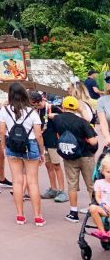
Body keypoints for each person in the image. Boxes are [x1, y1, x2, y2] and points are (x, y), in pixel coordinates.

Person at [0, 83, 46, 226]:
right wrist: (41, 151)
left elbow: (1, 131)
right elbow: (38, 134)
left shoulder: (5, 110)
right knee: (33, 182)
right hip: (30, 145)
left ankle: (20, 215)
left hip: (12, 145)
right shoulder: (32, 111)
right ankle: (37, 216)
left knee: (17, 181)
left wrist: (3, 145)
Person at [53, 95, 99, 223]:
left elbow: (53, 117)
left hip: (69, 155)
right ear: (76, 108)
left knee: (72, 185)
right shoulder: (82, 122)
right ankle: (96, 210)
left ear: (63, 106)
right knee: (91, 184)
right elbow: (93, 141)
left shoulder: (58, 119)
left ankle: (73, 212)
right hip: (86, 156)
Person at [31, 92, 66, 203]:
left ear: (41, 100)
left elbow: (65, 117)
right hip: (43, 142)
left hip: (53, 141)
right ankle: (53, 188)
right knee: (48, 166)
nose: (36, 107)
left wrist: (55, 116)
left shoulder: (52, 108)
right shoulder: (37, 110)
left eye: (38, 105)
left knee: (56, 165)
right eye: (34, 106)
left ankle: (61, 190)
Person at [88, 154, 110, 240]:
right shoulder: (99, 183)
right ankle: (103, 232)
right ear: (102, 171)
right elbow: (97, 196)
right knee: (92, 208)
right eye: (108, 172)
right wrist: (102, 204)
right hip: (104, 208)